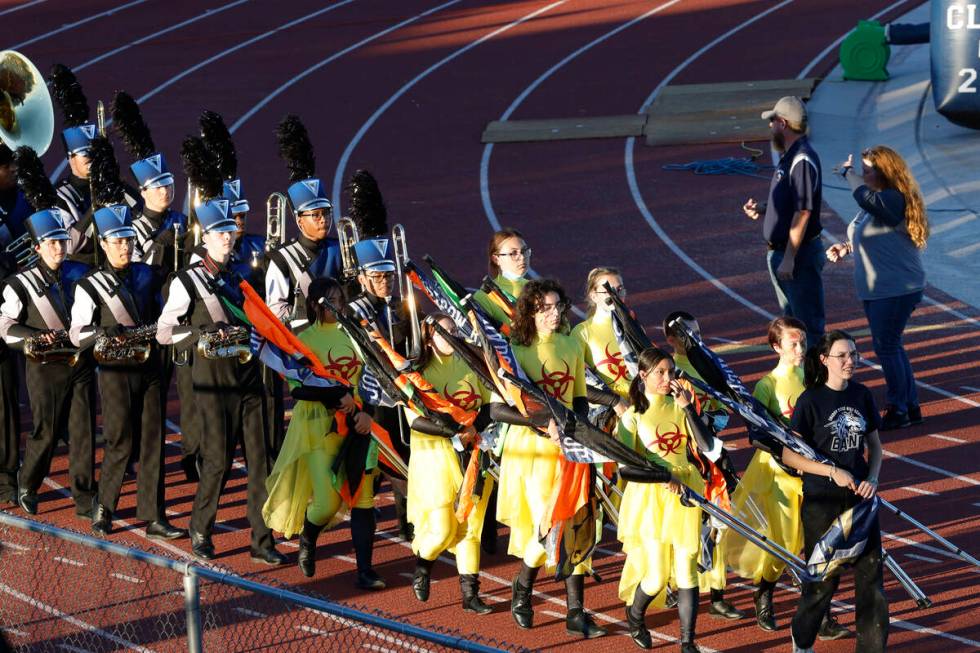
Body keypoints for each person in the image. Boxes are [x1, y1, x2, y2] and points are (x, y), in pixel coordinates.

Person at [156, 197, 284, 565]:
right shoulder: (187, 281)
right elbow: (165, 333)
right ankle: (201, 528)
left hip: (248, 380)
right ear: (205, 236)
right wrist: (200, 333)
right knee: (218, 461)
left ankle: (262, 541)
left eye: (230, 231)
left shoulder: (239, 276)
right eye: (220, 233)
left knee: (261, 464)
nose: (228, 238)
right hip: (213, 383)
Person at [722, 317, 849, 640]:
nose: (800, 348)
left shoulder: (814, 377)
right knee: (785, 546)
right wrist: (784, 453)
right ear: (776, 346)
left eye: (803, 342)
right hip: (779, 476)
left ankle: (823, 617)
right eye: (793, 343)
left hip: (815, 473)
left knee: (819, 545)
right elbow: (755, 434)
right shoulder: (767, 385)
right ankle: (764, 592)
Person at [497, 278, 607, 639]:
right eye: (544, 308)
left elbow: (576, 397)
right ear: (529, 311)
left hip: (569, 449)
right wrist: (543, 425)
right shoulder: (515, 350)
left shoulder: (570, 343)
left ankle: (576, 612)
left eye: (557, 306)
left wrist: (576, 430)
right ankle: (523, 588)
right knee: (548, 528)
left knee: (575, 523)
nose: (553, 314)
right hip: (532, 453)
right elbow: (499, 409)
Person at [69, 201, 183, 540]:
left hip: (149, 366)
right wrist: (102, 332)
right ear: (103, 243)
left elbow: (165, 312)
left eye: (128, 239)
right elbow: (77, 332)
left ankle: (154, 516)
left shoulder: (148, 274)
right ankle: (105, 507)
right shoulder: (89, 285)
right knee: (120, 439)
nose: (124, 246)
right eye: (117, 241)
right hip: (116, 370)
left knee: (153, 441)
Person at [262, 277, 384, 587]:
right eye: (331, 301)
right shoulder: (303, 340)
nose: (338, 306)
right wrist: (335, 395)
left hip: (357, 425)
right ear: (316, 304)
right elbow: (299, 390)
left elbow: (373, 380)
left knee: (363, 497)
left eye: (340, 300)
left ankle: (365, 570)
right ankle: (309, 537)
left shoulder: (354, 336)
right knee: (328, 503)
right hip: (319, 427)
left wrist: (367, 415)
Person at [407, 313, 523, 615]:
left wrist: (476, 427)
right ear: (429, 338)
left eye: (454, 331)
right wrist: (456, 430)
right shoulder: (419, 372)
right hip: (436, 457)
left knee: (472, 527)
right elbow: (416, 421)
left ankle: (470, 595)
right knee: (444, 528)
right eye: (444, 333)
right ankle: (423, 565)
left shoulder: (473, 364)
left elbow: (493, 404)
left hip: (475, 452)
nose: (452, 337)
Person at [780, 331, 887, 653]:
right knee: (823, 581)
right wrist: (832, 471)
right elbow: (789, 455)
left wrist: (873, 479)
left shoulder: (862, 394)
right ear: (824, 360)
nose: (850, 361)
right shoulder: (810, 401)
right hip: (821, 502)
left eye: (853, 354)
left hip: (860, 500)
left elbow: (876, 448)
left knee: (871, 578)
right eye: (842, 355)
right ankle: (802, 640)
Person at [616, 347, 718, 652]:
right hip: (650, 499)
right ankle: (635, 616)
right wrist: (663, 478)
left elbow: (707, 446)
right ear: (643, 375)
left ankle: (688, 642)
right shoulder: (632, 416)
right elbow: (625, 468)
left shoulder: (680, 406)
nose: (667, 378)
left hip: (685, 492)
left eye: (671, 372)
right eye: (660, 372)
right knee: (657, 577)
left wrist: (688, 409)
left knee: (688, 570)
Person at [0, 208, 95, 518]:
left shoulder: (79, 274)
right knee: (47, 431)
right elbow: (5, 326)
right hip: (44, 368)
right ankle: (28, 483)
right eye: (50, 243)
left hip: (79, 364)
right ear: (37, 247)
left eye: (61, 241)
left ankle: (84, 497)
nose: (58, 248)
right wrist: (33, 338)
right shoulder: (18, 283)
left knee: (82, 433)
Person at [826, 146, 929, 430]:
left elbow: (864, 197)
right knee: (892, 345)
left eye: (868, 170)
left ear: (883, 172)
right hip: (879, 288)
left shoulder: (892, 199)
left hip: (896, 287)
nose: (863, 174)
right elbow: (869, 232)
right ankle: (910, 404)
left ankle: (899, 407)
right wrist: (847, 248)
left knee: (887, 347)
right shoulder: (876, 203)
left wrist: (848, 174)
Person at [662, 311, 742, 621]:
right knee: (683, 526)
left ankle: (718, 593)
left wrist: (709, 424)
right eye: (685, 334)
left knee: (719, 523)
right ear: (671, 339)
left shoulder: (709, 366)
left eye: (696, 332)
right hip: (684, 458)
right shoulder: (668, 370)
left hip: (713, 457)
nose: (693, 339)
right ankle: (673, 583)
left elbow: (723, 411)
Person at [743, 96, 825, 346]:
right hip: (785, 254)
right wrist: (766, 209)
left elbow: (803, 212)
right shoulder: (790, 157)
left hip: (797, 256)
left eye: (772, 122)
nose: (770, 127)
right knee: (792, 327)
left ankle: (814, 379)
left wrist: (789, 257)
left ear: (783, 123)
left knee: (805, 329)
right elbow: (792, 203)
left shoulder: (801, 160)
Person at [0, 143, 27, 506]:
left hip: (8, 308)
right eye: (9, 168)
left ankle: (7, 479)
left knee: (6, 402)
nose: (14, 173)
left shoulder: (22, 199)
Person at [472, 228, 530, 327]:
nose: (522, 257)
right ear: (496, 259)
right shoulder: (485, 296)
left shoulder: (538, 288)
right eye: (513, 253)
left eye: (524, 251)